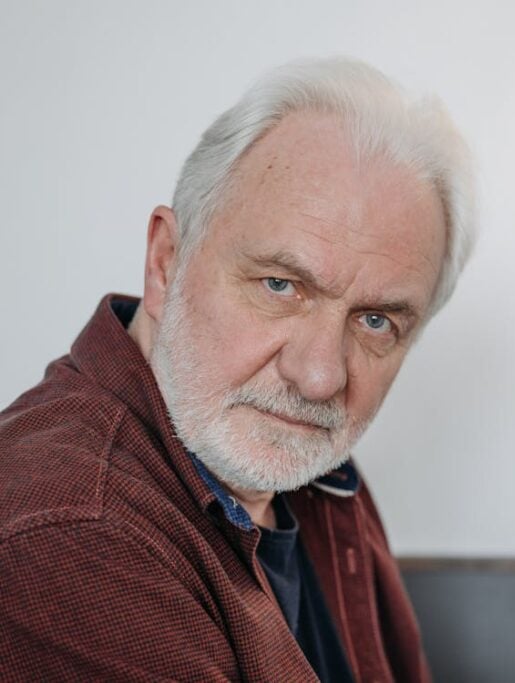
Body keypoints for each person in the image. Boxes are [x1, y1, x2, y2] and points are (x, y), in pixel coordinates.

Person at [0, 57, 476, 682]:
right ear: (166, 263)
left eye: (376, 321)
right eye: (280, 284)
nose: (319, 377)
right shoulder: (74, 534)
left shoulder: (313, 471)